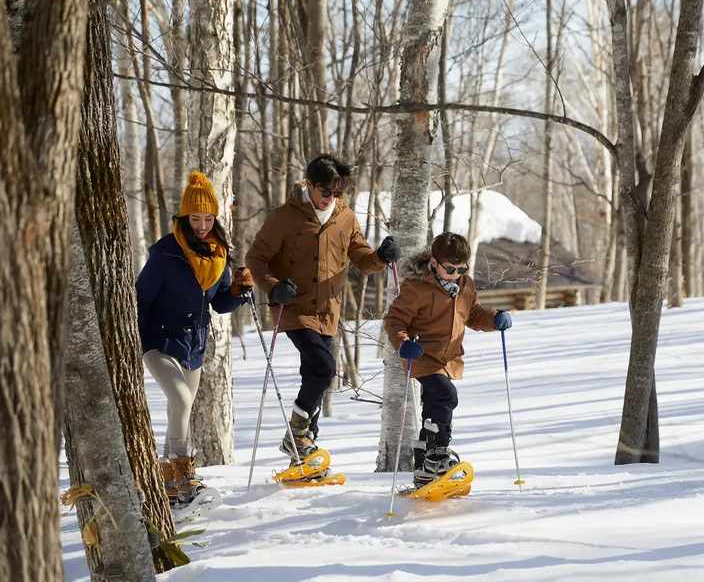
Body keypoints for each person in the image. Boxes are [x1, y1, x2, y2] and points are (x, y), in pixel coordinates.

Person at [246, 153, 400, 465]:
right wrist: (273, 285)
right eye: (325, 191)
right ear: (309, 185)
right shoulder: (284, 218)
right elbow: (255, 259)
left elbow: (363, 259)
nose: (331, 198)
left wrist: (382, 257)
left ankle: (305, 451)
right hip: (293, 307)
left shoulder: (346, 218)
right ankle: (297, 435)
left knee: (315, 375)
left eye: (338, 192)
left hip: (328, 311)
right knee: (323, 368)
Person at [136, 171, 253, 505]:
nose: (202, 225)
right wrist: (135, 341)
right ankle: (182, 474)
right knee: (181, 400)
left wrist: (239, 291)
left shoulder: (218, 255)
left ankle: (171, 484)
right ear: (184, 217)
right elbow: (140, 298)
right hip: (159, 341)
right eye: (195, 218)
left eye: (208, 218)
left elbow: (219, 304)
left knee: (181, 410)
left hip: (194, 346)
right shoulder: (165, 253)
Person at [383, 232, 513, 488]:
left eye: (461, 268)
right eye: (450, 268)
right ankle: (437, 453)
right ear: (434, 262)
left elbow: (473, 314)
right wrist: (403, 343)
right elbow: (395, 320)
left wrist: (494, 318)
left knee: (437, 405)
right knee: (445, 396)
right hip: (420, 355)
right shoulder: (416, 288)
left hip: (449, 358)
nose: (456, 274)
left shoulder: (465, 286)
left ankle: (424, 463)